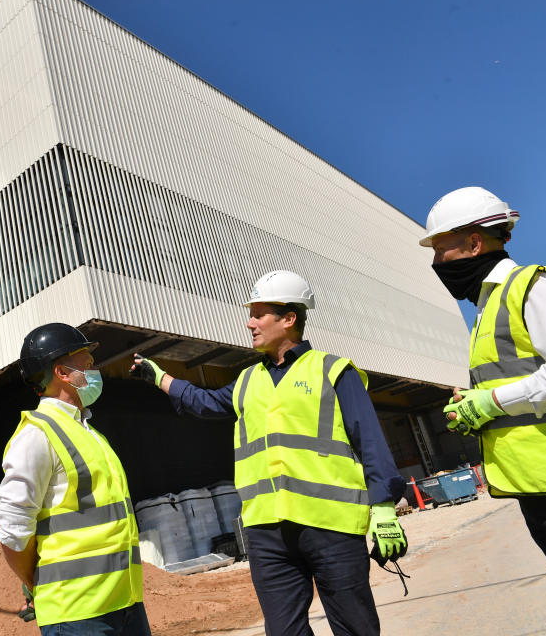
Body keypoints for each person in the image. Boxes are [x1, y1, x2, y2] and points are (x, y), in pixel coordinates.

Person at [130, 270, 407, 636]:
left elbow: (370, 442)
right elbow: (203, 402)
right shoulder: (247, 380)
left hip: (332, 524)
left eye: (259, 314)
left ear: (288, 318)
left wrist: (384, 508)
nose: (250, 323)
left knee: (355, 627)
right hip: (267, 531)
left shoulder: (333, 371)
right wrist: (160, 378)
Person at [423, 186, 546, 610]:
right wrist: (473, 403)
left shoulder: (535, 286)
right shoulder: (485, 309)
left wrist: (490, 403)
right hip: (538, 488)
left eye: (441, 250)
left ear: (475, 243)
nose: (437, 263)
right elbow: (520, 380)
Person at [0, 323, 151, 634]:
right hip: (78, 616)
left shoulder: (88, 432)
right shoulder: (36, 436)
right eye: (87, 363)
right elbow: (12, 532)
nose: (95, 369)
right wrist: (35, 583)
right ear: (63, 373)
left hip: (126, 604)